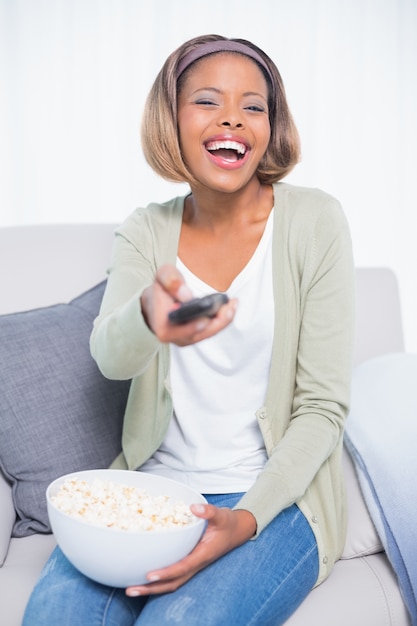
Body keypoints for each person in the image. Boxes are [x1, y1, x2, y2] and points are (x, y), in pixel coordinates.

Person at [23, 34, 355, 625]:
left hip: (270, 501)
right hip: (153, 491)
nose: (233, 116)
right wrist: (151, 313)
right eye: (207, 100)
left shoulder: (315, 221)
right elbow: (111, 358)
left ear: (270, 129)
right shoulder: (146, 231)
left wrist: (245, 520)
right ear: (169, 121)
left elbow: (323, 407)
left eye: (254, 106)